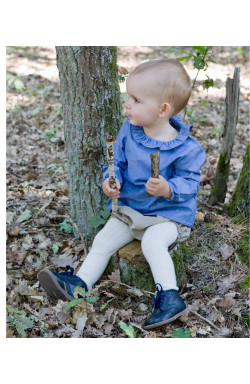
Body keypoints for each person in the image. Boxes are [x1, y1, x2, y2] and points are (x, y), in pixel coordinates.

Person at [38, 58, 206, 330]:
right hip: (131, 210)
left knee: (153, 242)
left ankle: (170, 296)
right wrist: (111, 181)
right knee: (104, 240)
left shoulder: (186, 148)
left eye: (136, 100)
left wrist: (168, 188)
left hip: (168, 216)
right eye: (129, 97)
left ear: (163, 109)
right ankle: (79, 284)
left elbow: (191, 183)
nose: (127, 104)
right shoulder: (130, 130)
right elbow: (118, 164)